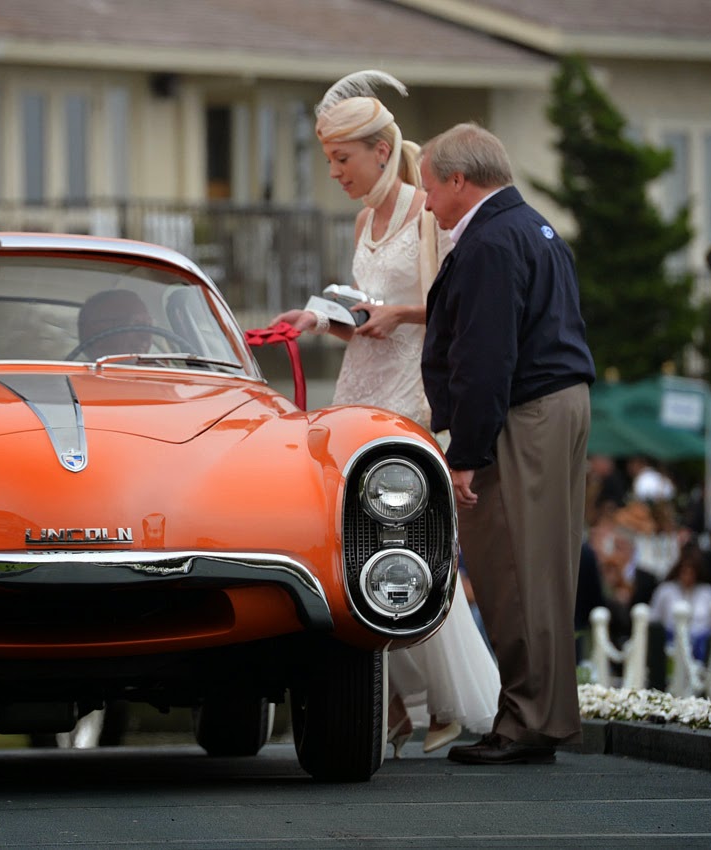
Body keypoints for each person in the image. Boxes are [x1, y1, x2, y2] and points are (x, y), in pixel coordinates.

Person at [272, 70, 499, 757]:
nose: (335, 173)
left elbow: (455, 308)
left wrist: (397, 312)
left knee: (413, 543)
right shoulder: (366, 218)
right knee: (357, 548)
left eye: (343, 159)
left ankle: (449, 702)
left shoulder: (426, 211)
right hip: (360, 388)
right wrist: (321, 319)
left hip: (412, 394)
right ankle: (399, 701)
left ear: (379, 149)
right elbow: (368, 314)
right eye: (330, 162)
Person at [419, 122, 596, 765]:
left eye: (431, 188)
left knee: (515, 570)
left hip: (526, 414)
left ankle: (526, 722)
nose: (429, 204)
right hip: (554, 405)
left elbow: (485, 355)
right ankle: (538, 717)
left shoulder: (491, 241)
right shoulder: (533, 227)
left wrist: (466, 451)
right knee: (542, 570)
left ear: (460, 182)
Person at [648, 540, 711, 662]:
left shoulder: (708, 592)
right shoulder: (666, 590)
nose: (688, 576)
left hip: (701, 644)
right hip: (670, 642)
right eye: (684, 572)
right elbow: (654, 618)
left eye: (691, 572)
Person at [75, 289, 154, 359]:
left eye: (150, 326)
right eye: (136, 324)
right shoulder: (65, 374)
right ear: (98, 329)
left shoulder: (162, 372)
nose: (146, 337)